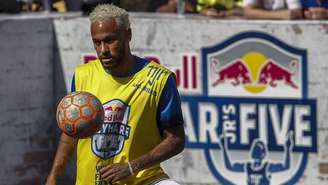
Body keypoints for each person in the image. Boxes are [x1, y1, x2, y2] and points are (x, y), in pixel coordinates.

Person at [46, 4, 185, 185]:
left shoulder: (159, 79)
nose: (103, 49)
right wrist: (54, 177)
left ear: (128, 35)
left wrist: (132, 166)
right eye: (97, 42)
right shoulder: (83, 75)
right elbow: (71, 131)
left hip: (144, 179)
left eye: (110, 40)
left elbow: (176, 139)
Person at [219, 132, 293, 185]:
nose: (256, 151)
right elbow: (229, 167)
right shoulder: (247, 166)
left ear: (263, 154)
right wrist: (224, 148)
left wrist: (288, 149)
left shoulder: (267, 167)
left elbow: (286, 167)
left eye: (258, 150)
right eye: (255, 149)